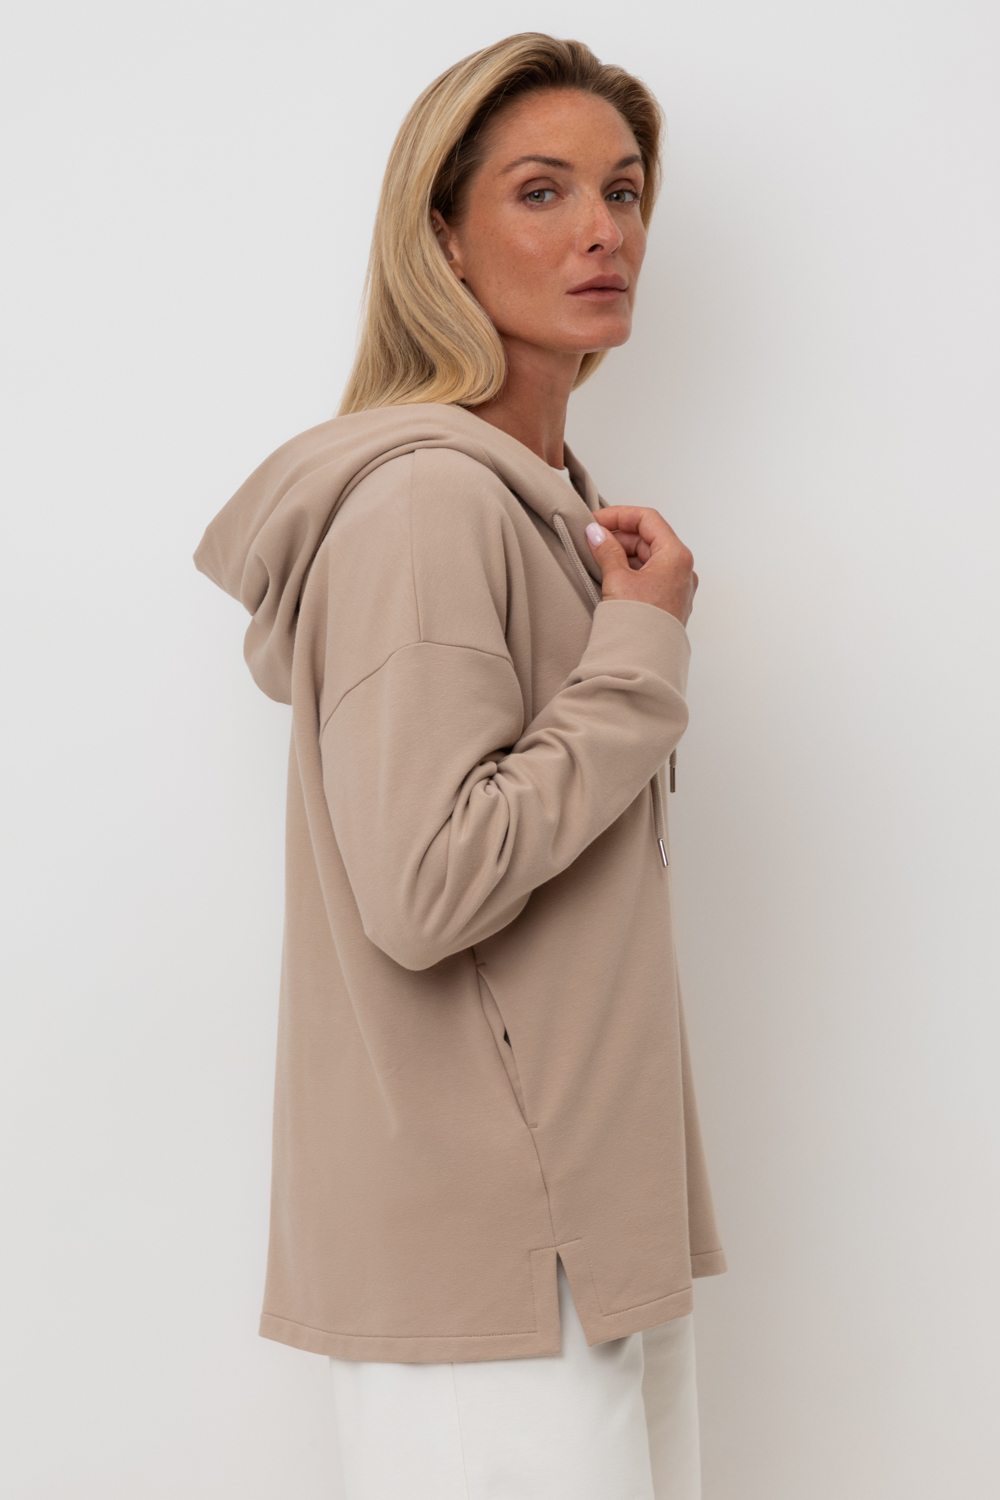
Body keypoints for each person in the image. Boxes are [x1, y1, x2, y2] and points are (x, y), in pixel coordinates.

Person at [194, 32, 726, 1500]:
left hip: (581, 1239)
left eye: (624, 191)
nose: (603, 230)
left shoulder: (546, 506)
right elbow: (426, 889)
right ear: (440, 236)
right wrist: (641, 655)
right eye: (542, 192)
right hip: (496, 1262)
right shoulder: (428, 504)